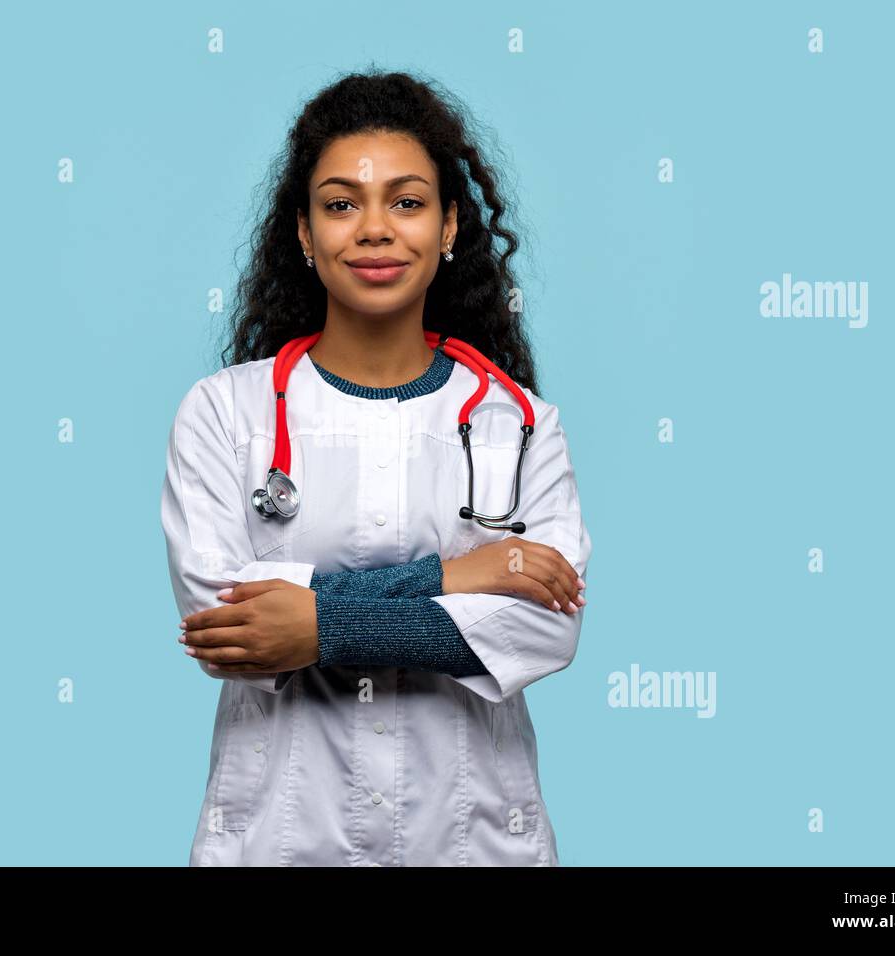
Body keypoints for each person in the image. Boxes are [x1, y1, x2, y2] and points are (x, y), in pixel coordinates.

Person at [160, 69, 592, 866]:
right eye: (340, 204)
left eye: (406, 201)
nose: (374, 229)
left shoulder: (521, 422)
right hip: (281, 839)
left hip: (471, 839)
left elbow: (544, 628)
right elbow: (229, 624)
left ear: (449, 224)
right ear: (302, 231)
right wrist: (462, 578)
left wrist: (319, 624)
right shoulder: (224, 413)